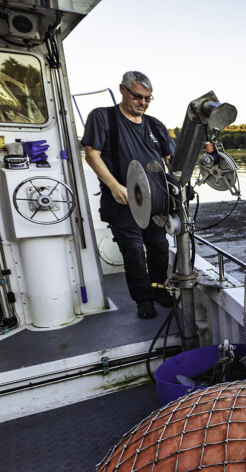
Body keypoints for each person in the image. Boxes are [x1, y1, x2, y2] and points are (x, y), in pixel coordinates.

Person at [82, 71, 175, 319]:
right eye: (137, 96)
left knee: (159, 247)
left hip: (156, 202)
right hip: (121, 201)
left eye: (147, 99)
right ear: (122, 90)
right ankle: (143, 300)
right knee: (133, 251)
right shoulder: (102, 117)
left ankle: (158, 290)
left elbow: (171, 159)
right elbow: (92, 154)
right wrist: (114, 185)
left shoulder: (155, 124)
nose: (142, 103)